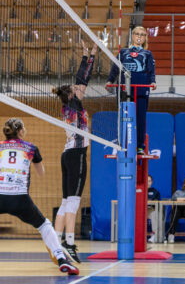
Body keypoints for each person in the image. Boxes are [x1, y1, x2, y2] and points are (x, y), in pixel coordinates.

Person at [0, 118, 79, 275]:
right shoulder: (30, 148)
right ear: (21, 131)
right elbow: (41, 173)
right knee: (44, 226)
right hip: (20, 199)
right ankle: (61, 259)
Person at [52, 40, 97, 264]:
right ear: (71, 94)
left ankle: (56, 243)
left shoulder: (66, 107)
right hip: (77, 155)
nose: (79, 89)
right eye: (75, 89)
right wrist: (89, 56)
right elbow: (83, 79)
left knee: (65, 201)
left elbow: (80, 82)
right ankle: (69, 244)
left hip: (66, 155)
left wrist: (87, 54)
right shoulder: (74, 104)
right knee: (73, 202)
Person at [106, 26, 156, 155]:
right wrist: (110, 80)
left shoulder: (147, 53)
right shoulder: (123, 52)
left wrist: (153, 82)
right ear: (132, 36)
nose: (139, 36)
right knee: (122, 117)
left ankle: (140, 146)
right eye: (137, 34)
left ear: (145, 38)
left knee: (140, 117)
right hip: (124, 90)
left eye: (142, 35)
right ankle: (121, 144)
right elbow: (115, 68)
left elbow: (151, 70)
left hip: (141, 90)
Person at [147, 174, 160, 243]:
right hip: (139, 211)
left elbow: (157, 203)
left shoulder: (155, 192)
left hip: (150, 210)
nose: (147, 182)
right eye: (146, 181)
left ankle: (154, 235)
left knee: (154, 213)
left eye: (149, 181)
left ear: (151, 182)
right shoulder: (138, 190)